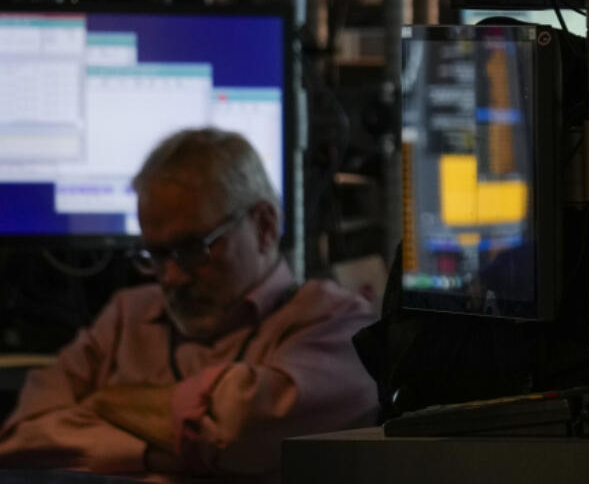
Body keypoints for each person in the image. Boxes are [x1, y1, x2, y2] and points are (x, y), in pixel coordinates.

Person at [0, 129, 379, 481]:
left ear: (263, 226)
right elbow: (22, 437)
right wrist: (156, 453)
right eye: (156, 254)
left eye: (193, 248)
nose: (170, 277)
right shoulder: (127, 315)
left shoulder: (339, 324)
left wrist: (103, 401)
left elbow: (238, 432)